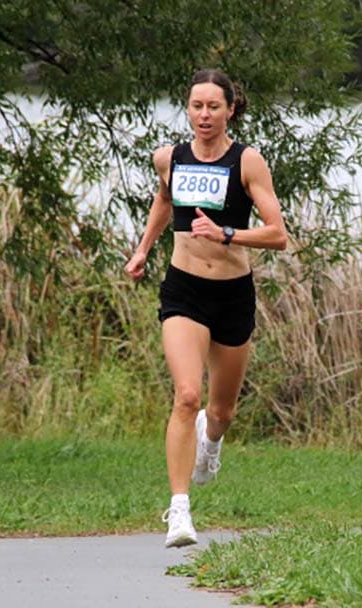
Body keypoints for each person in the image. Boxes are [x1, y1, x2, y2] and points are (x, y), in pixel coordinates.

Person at [124, 69, 288, 547]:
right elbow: (163, 200)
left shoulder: (247, 162)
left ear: (231, 109)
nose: (204, 115)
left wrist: (227, 233)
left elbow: (278, 234)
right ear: (188, 108)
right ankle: (179, 512)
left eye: (214, 107)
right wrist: (142, 249)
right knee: (186, 395)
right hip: (184, 291)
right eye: (196, 106)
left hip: (233, 294)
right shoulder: (168, 158)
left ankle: (210, 443)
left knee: (221, 410)